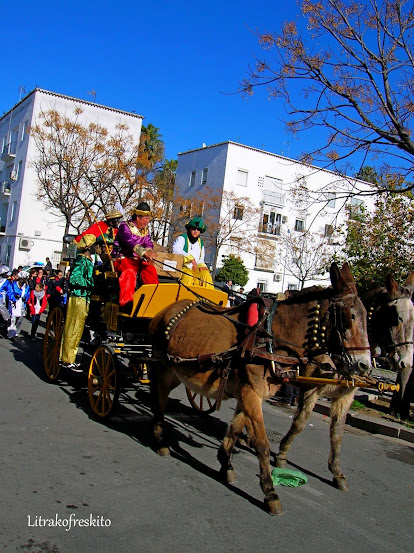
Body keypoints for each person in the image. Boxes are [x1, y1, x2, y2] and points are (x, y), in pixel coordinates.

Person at [60, 236, 96, 371]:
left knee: (78, 328)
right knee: (74, 328)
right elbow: (74, 279)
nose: (95, 247)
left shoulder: (87, 261)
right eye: (93, 245)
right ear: (88, 247)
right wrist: (91, 283)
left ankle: (69, 357)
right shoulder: (81, 261)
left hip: (84, 298)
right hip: (78, 298)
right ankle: (67, 359)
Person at [114, 202, 159, 306]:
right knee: (129, 272)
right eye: (146, 219)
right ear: (138, 217)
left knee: (150, 270)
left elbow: (148, 243)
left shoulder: (145, 230)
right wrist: (144, 253)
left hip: (138, 261)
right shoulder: (124, 226)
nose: (148, 222)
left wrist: (150, 252)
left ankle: (152, 300)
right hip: (123, 259)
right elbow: (129, 242)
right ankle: (127, 303)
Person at [172, 216, 213, 289]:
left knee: (206, 275)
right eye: (193, 229)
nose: (195, 231)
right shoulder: (182, 238)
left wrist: (202, 266)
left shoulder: (201, 243)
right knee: (188, 277)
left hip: (195, 270)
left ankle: (208, 299)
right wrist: (190, 258)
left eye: (198, 229)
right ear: (189, 229)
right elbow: (175, 250)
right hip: (183, 268)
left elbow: (200, 259)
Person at [5, 270, 30, 340]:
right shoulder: (14, 284)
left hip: (22, 304)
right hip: (14, 303)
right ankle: (10, 333)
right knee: (13, 318)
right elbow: (10, 292)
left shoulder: (26, 286)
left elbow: (27, 294)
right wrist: (14, 298)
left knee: (20, 319)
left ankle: (16, 332)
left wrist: (25, 298)